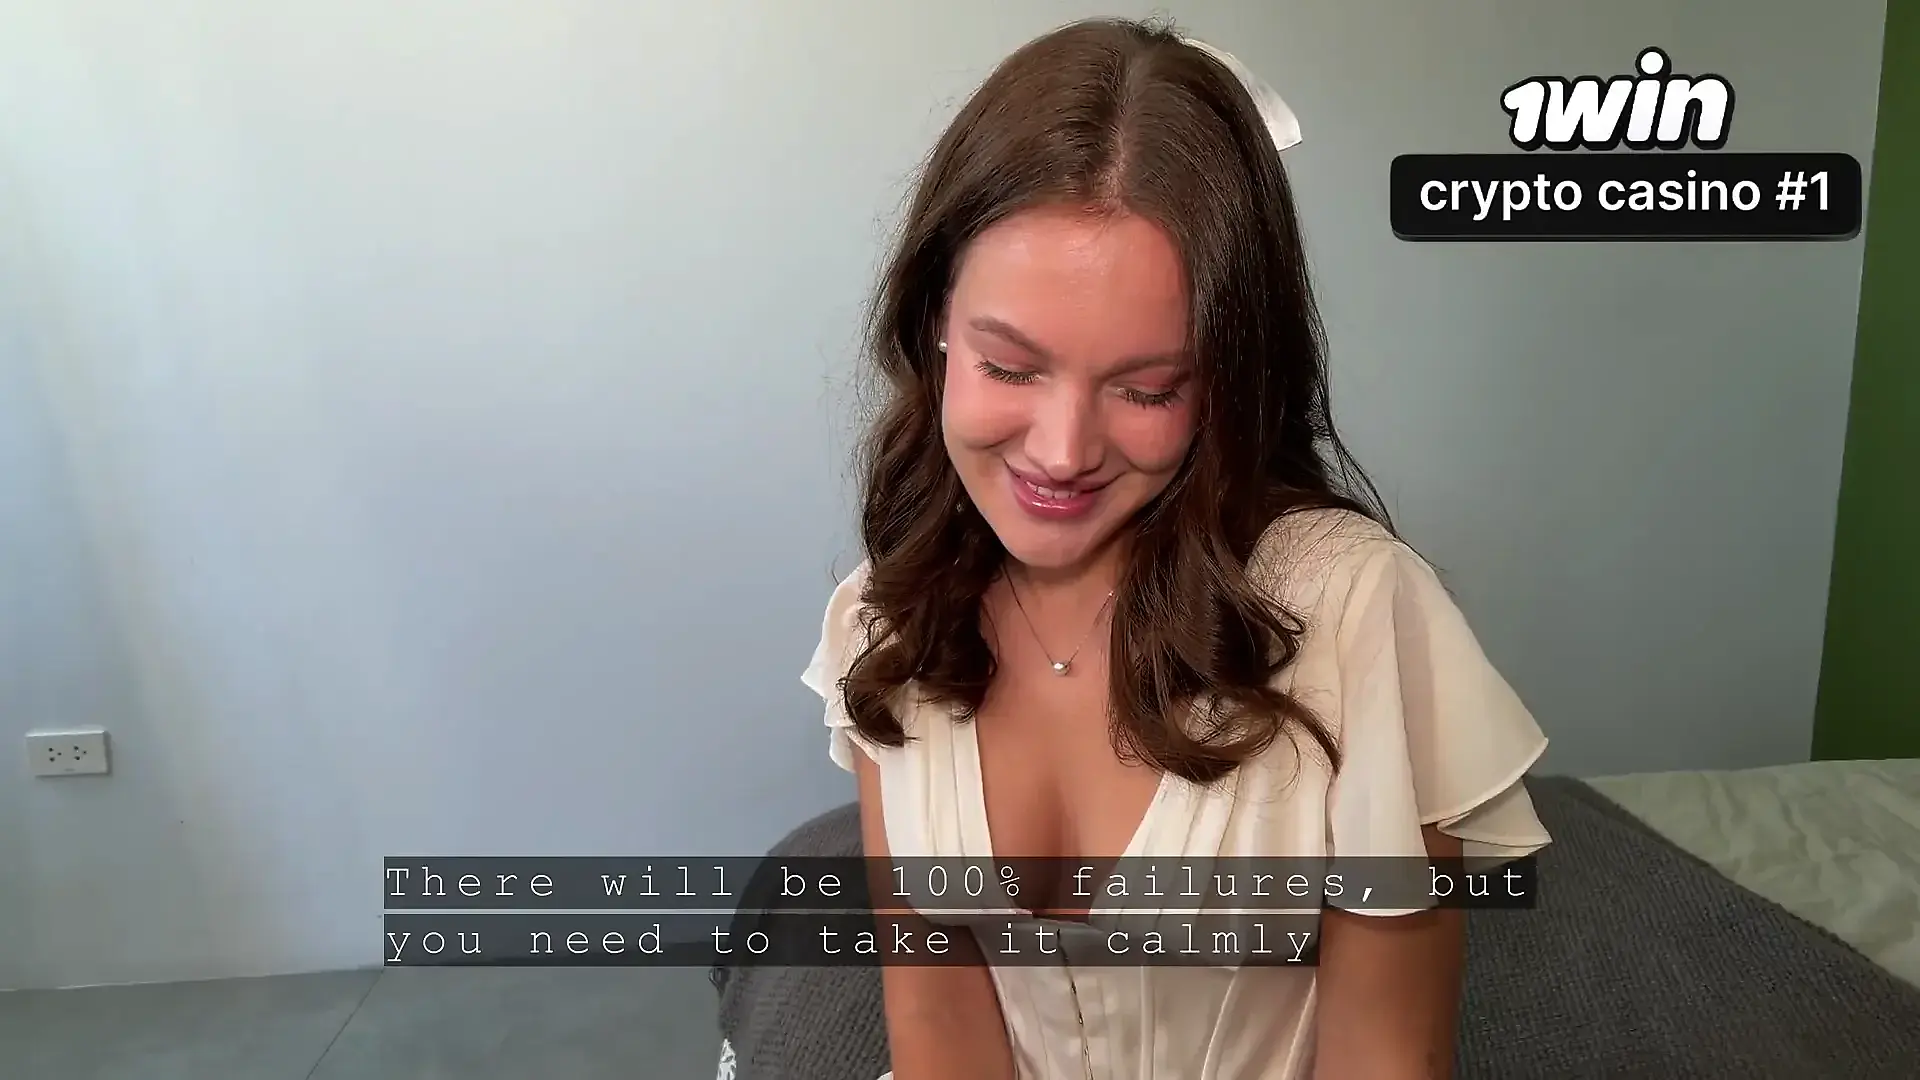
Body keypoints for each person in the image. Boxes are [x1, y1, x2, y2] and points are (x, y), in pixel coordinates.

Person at [802, 16, 1550, 1080]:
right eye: (1009, 368)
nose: (1062, 452)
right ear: (935, 323)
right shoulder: (882, 622)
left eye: (1148, 389)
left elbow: (1385, 1057)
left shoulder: (1353, 614)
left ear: (1226, 382)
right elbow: (939, 1034)